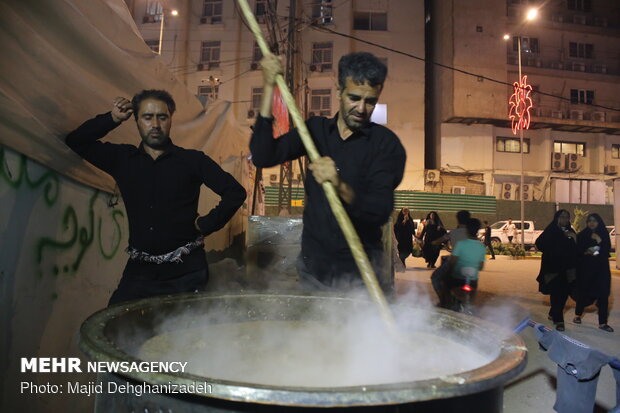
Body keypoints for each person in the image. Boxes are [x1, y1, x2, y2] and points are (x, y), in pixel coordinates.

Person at [65, 90, 247, 305]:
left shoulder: (192, 160)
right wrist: (113, 118)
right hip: (140, 272)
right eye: (147, 117)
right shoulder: (123, 159)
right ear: (136, 120)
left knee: (182, 334)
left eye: (162, 117)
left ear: (170, 119)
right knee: (114, 329)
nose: (155, 124)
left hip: (187, 272)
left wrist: (206, 224)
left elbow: (235, 192)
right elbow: (77, 141)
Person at [250, 52, 406, 291]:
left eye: (371, 101)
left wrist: (339, 184)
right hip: (313, 272)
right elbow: (263, 156)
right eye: (354, 98)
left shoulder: (386, 145)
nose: (362, 109)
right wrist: (269, 87)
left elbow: (379, 209)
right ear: (339, 92)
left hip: (361, 277)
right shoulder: (315, 131)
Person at [535, 210, 577, 331]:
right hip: (553, 269)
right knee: (556, 293)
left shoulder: (570, 231)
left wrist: (574, 237)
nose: (564, 220)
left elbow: (577, 250)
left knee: (563, 295)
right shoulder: (551, 231)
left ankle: (553, 312)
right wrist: (556, 241)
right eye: (562, 217)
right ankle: (559, 320)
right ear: (556, 218)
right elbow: (539, 244)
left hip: (567, 270)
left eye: (567, 217)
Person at [573, 214, 614, 332]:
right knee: (583, 293)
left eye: (594, 221)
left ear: (599, 222)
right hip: (586, 270)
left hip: (601, 270)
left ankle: (602, 323)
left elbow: (606, 251)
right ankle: (577, 315)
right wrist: (587, 252)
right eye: (589, 221)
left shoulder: (603, 234)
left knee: (603, 295)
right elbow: (578, 252)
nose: (592, 223)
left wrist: (599, 240)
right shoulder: (582, 235)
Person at [438, 218, 486, 309]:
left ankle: (444, 304)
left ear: (466, 230)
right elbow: (481, 266)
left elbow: (452, 262)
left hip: (457, 278)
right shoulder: (481, 246)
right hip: (472, 280)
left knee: (445, 283)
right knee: (472, 294)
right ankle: (471, 307)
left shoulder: (461, 244)